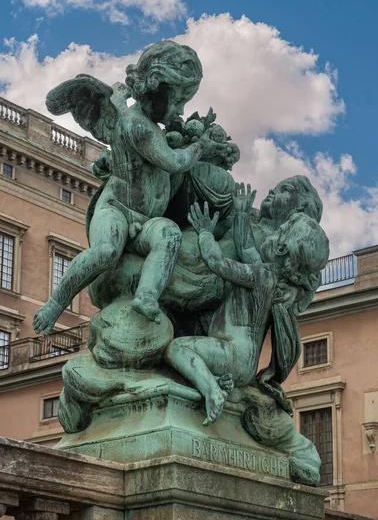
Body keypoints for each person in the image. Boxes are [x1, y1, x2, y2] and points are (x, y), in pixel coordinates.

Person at [33, 41, 230, 336]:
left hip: (146, 220)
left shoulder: (150, 125)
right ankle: (56, 303)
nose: (180, 109)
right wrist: (202, 145)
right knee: (107, 251)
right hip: (118, 210)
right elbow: (174, 161)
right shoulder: (135, 125)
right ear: (154, 87)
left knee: (169, 234)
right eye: (176, 100)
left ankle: (146, 296)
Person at [165, 191, 329, 426]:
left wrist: (205, 233)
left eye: (281, 232)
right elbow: (247, 248)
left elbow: (217, 262)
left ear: (282, 250)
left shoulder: (261, 276)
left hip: (232, 352)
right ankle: (219, 381)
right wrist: (242, 214)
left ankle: (212, 391)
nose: (275, 232)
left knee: (177, 349)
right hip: (243, 362)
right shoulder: (273, 281)